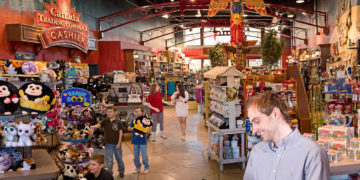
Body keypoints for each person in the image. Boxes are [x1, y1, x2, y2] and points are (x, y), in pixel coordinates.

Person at [244, 92, 329, 180]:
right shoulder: (257, 152)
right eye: (252, 124)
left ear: (275, 113)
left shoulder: (312, 153)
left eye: (257, 121)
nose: (254, 130)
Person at [92, 106, 125, 178]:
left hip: (117, 144)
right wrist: (92, 127)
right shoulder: (106, 120)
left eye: (111, 111)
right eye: (108, 112)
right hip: (108, 144)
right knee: (109, 160)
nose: (109, 113)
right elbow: (99, 125)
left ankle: (121, 171)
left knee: (119, 158)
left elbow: (120, 133)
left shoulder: (118, 122)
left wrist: (119, 143)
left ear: (115, 112)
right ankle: (109, 173)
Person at [130, 107, 150, 174]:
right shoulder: (133, 120)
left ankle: (146, 167)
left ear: (142, 113)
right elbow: (128, 128)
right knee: (136, 156)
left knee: (144, 156)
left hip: (142, 141)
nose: (137, 113)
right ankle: (138, 167)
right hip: (135, 141)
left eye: (138, 111)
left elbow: (148, 131)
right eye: (135, 111)